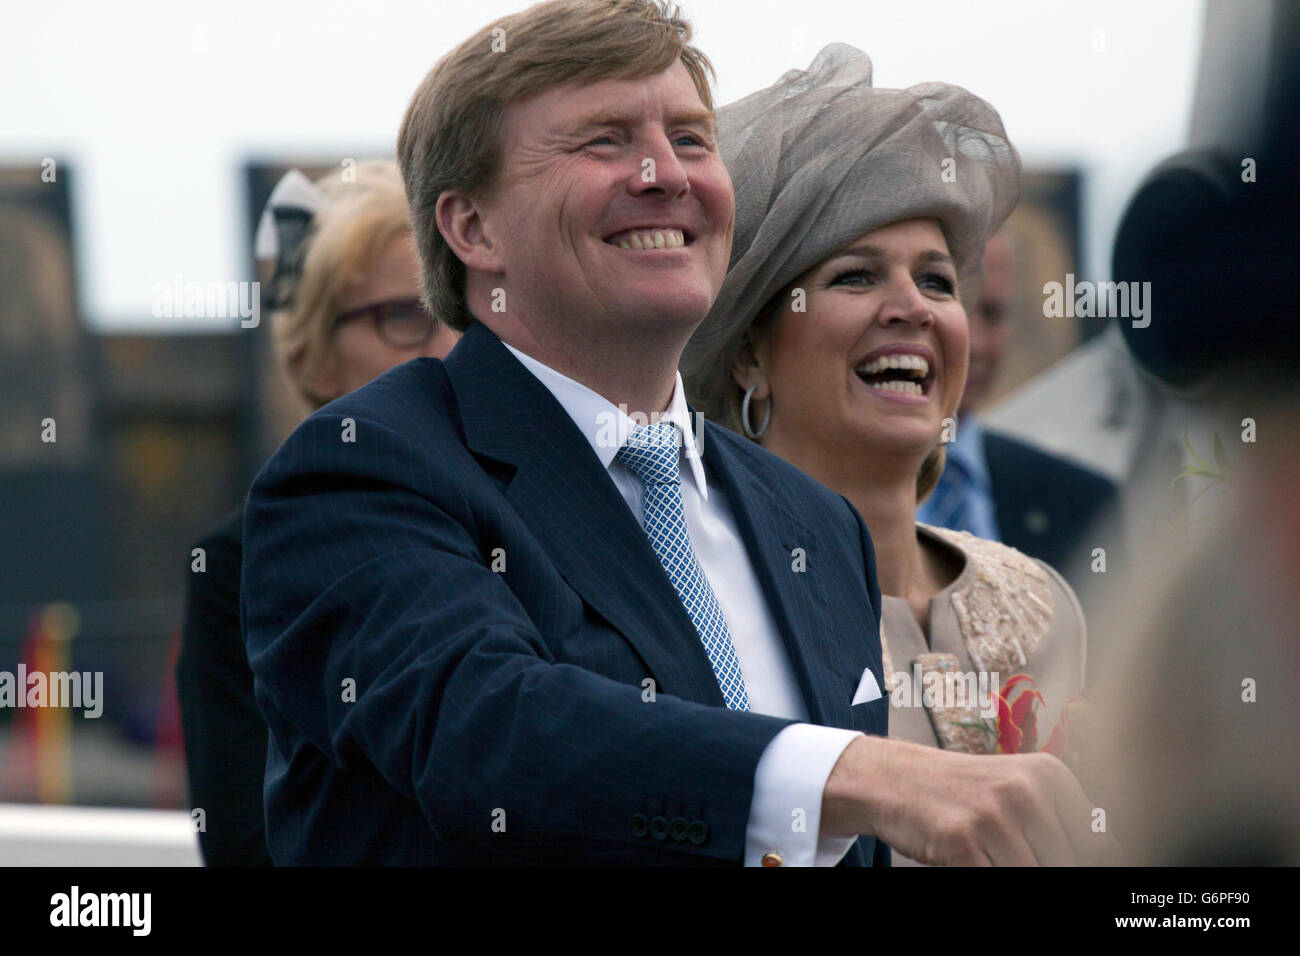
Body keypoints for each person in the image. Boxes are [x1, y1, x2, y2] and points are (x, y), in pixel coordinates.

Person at [241, 0, 1112, 866]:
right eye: (605, 140)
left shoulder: (812, 522)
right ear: (473, 228)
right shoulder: (361, 471)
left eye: (693, 140)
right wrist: (863, 774)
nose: (666, 174)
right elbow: (488, 722)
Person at [682, 44, 1092, 863]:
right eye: (855, 277)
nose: (912, 307)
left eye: (938, 282)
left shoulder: (1042, 603)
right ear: (748, 354)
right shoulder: (697, 605)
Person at [176, 160, 459, 866]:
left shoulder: (567, 521)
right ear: (312, 355)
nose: (449, 349)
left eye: (464, 315)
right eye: (404, 316)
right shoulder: (237, 571)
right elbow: (246, 842)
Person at [916, 228, 1122, 580]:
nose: (975, 345)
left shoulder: (1084, 504)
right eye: (956, 307)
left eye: (993, 314)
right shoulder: (823, 497)